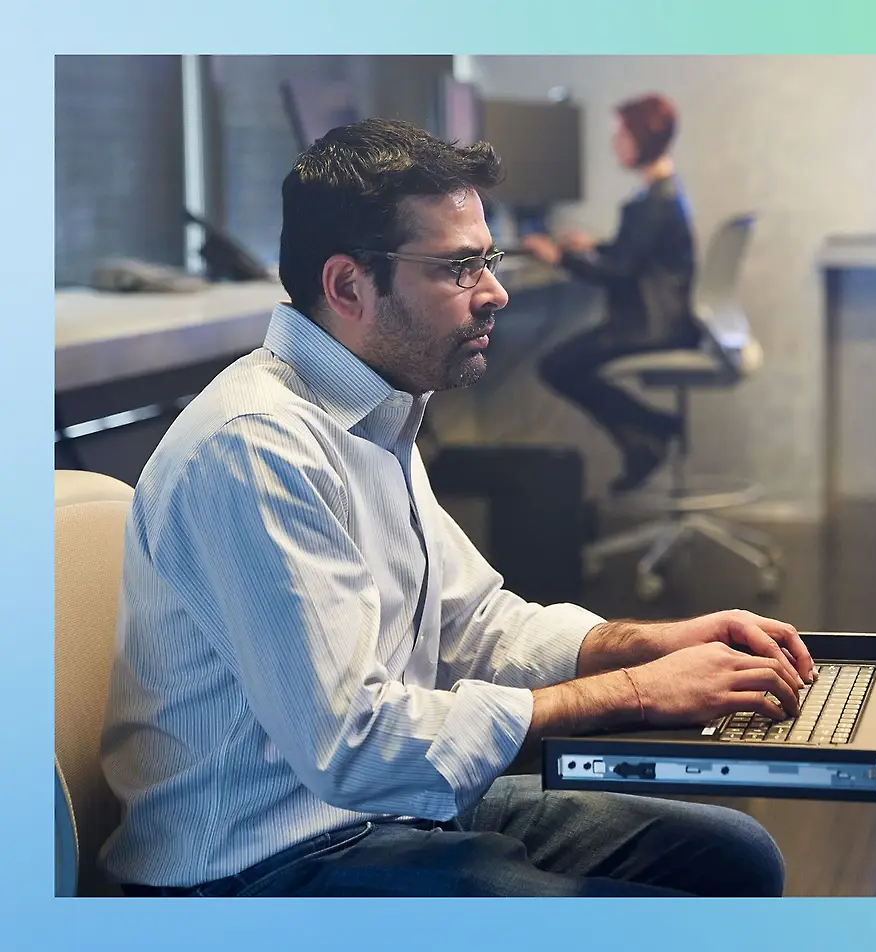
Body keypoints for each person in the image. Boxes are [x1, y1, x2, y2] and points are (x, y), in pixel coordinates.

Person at [99, 118, 817, 898]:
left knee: (736, 856)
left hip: (383, 816)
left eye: (489, 260)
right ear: (348, 286)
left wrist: (641, 644)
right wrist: (636, 694)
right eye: (460, 268)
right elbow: (359, 745)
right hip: (263, 865)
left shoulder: (375, 407)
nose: (495, 292)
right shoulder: (255, 446)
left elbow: (472, 624)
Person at [524, 93, 699, 493]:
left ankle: (655, 430)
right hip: (665, 321)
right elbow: (634, 254)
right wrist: (591, 246)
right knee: (564, 365)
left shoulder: (653, 202)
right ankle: (646, 440)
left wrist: (558, 257)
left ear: (642, 138)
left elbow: (619, 272)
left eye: (620, 135)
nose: (615, 144)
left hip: (648, 327)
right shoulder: (662, 194)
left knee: (557, 367)